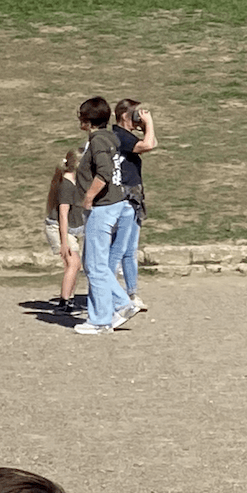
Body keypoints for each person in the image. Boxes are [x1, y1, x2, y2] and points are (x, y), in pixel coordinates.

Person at [73, 96, 138, 335]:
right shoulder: (109, 137)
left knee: (95, 265)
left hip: (102, 207)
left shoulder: (99, 141)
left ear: (87, 120)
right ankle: (117, 305)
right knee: (93, 264)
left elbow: (105, 172)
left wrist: (89, 197)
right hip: (114, 204)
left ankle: (103, 318)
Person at [112, 100, 157, 312]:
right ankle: (112, 294)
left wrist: (146, 126)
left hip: (134, 198)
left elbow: (151, 142)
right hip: (123, 198)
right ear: (124, 116)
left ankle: (131, 293)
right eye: (135, 115)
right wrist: (149, 122)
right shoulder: (118, 136)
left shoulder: (127, 136)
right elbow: (147, 145)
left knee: (130, 250)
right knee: (118, 250)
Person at [43, 151, 84, 314]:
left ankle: (70, 299)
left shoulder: (74, 182)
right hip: (59, 228)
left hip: (68, 229)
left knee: (75, 264)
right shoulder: (66, 186)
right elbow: (63, 215)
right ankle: (64, 302)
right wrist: (64, 242)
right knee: (73, 263)